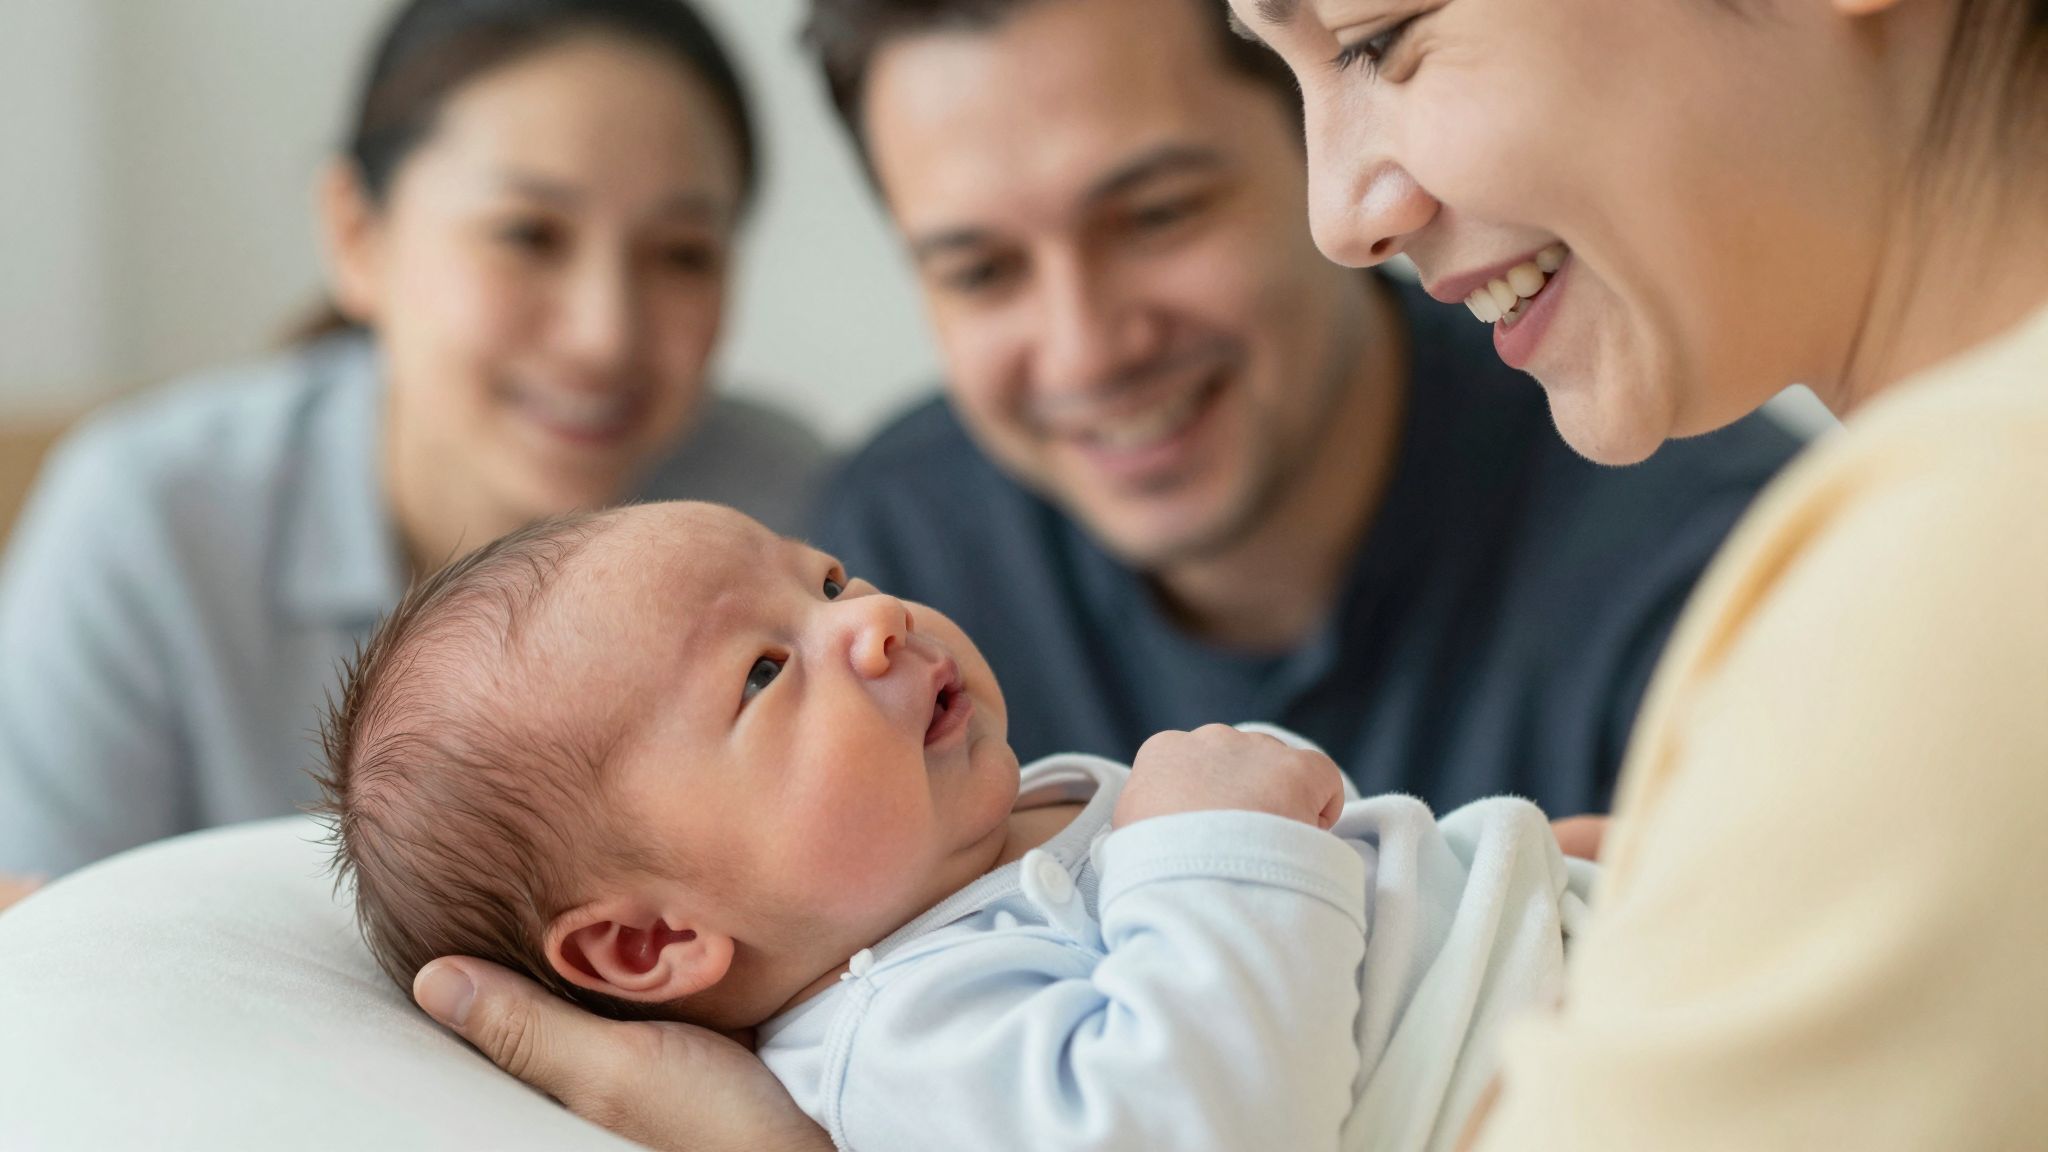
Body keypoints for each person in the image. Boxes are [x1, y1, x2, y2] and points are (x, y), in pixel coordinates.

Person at [398, 0, 2048, 1148]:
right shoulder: (916, 524)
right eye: (973, 265)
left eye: (1385, 38)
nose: (1353, 207)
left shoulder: (1843, 569)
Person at [322, 500, 1593, 1152]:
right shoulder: (902, 1033)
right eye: (765, 673)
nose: (871, 621)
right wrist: (1210, 841)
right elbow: (1191, 1128)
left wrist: (1521, 873)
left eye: (824, 579)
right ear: (650, 943)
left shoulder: (995, 834)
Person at [804, 0, 1800, 818]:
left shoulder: (1724, 565)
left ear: (1327, 150)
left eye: (1157, 215)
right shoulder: (888, 573)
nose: (1085, 349)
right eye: (980, 272)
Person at [0, 0, 827, 896]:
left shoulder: (795, 516)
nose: (605, 335)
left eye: (682, 254)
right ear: (356, 233)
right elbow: (34, 954)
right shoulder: (152, 521)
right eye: (528, 235)